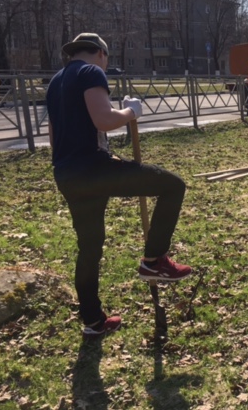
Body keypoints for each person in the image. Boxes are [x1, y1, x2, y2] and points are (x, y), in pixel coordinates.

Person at [46, 33, 192, 339]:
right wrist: (131, 112)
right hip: (93, 169)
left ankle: (93, 321)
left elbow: (54, 136)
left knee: (89, 248)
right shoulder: (90, 71)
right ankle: (154, 260)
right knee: (173, 186)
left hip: (67, 174)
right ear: (101, 53)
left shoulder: (56, 81)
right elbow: (103, 119)